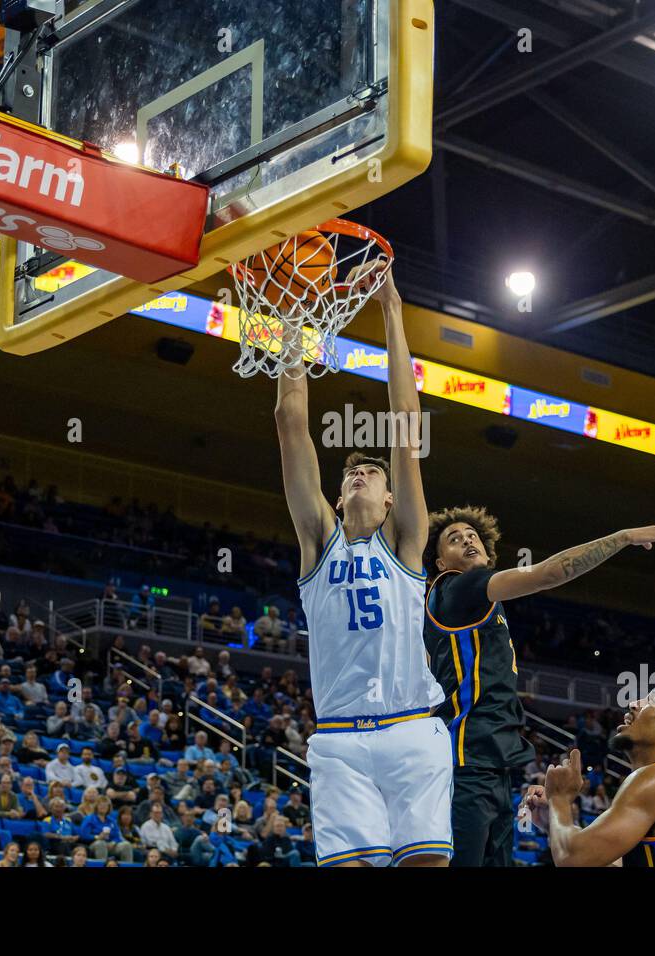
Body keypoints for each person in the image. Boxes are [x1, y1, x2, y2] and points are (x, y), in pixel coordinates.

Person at [273, 261, 450, 868]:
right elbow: (290, 422)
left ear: (392, 497)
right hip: (340, 739)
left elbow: (405, 427)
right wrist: (293, 322)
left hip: (410, 726)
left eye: (370, 472)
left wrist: (392, 311)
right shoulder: (318, 541)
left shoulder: (404, 542)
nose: (358, 473)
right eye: (351, 472)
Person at [422, 506, 655, 866]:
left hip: (491, 763)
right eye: (454, 538)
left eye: (473, 534)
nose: (467, 539)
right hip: (466, 760)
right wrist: (623, 537)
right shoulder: (459, 586)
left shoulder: (475, 606)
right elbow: (549, 573)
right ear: (440, 562)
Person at [524, 686, 655, 867]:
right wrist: (555, 823)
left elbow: (573, 859)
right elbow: (591, 857)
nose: (633, 704)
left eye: (652, 700)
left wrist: (559, 798)